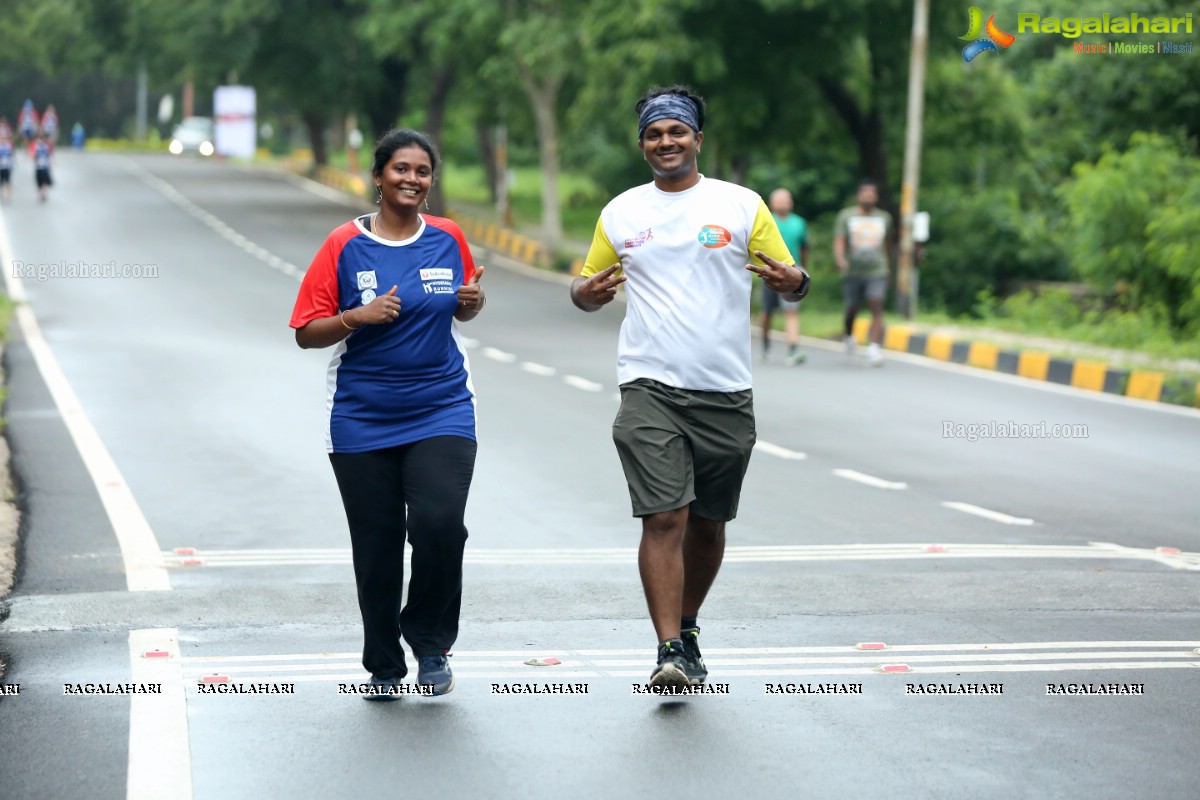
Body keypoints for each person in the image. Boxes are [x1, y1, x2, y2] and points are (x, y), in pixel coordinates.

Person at [570, 86, 809, 690]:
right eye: (653, 134)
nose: (665, 142)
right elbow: (585, 283)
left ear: (698, 140)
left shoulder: (741, 205)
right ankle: (667, 649)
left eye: (676, 132)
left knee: (708, 521)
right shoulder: (621, 212)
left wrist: (794, 281)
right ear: (642, 144)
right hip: (648, 385)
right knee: (664, 517)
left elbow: (792, 277)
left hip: (725, 391)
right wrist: (586, 295)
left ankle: (690, 624)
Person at [289, 128, 486, 701]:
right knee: (376, 545)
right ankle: (383, 662)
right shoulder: (342, 245)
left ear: (431, 181)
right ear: (378, 177)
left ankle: (430, 643)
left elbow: (463, 308)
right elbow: (306, 332)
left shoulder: (449, 237)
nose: (412, 179)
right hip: (361, 415)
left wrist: (472, 305)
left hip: (442, 406)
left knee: (439, 524)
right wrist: (359, 316)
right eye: (401, 169)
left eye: (422, 171)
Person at [834, 178, 892, 366]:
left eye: (872, 193)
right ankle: (850, 335)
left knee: (876, 302)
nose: (868, 196)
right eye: (865, 192)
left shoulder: (884, 217)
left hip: (877, 269)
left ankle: (874, 347)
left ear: (876, 197)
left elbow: (887, 243)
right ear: (859, 195)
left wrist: (887, 263)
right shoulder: (846, 216)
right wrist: (840, 259)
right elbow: (840, 240)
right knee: (852, 308)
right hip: (853, 270)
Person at [760, 188, 810, 365]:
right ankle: (765, 344)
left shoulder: (799, 223)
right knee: (767, 312)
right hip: (768, 272)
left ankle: (792, 350)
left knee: (791, 311)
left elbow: (804, 247)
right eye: (780, 199)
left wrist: (803, 270)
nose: (784, 202)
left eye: (787, 199)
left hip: (792, 272)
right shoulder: (766, 220)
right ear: (772, 203)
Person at [33, 132, 52, 203]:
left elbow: (50, 154)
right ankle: (41, 194)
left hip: (45, 166)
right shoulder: (36, 146)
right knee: (39, 182)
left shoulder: (47, 146)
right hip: (38, 166)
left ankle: (44, 194)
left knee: (45, 181)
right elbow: (33, 155)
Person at [0, 136, 13, 202]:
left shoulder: (8, 147)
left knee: (8, 181)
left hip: (7, 166)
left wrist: (11, 166)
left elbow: (11, 156)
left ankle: (8, 195)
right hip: (1, 167)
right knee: (2, 182)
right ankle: (3, 193)